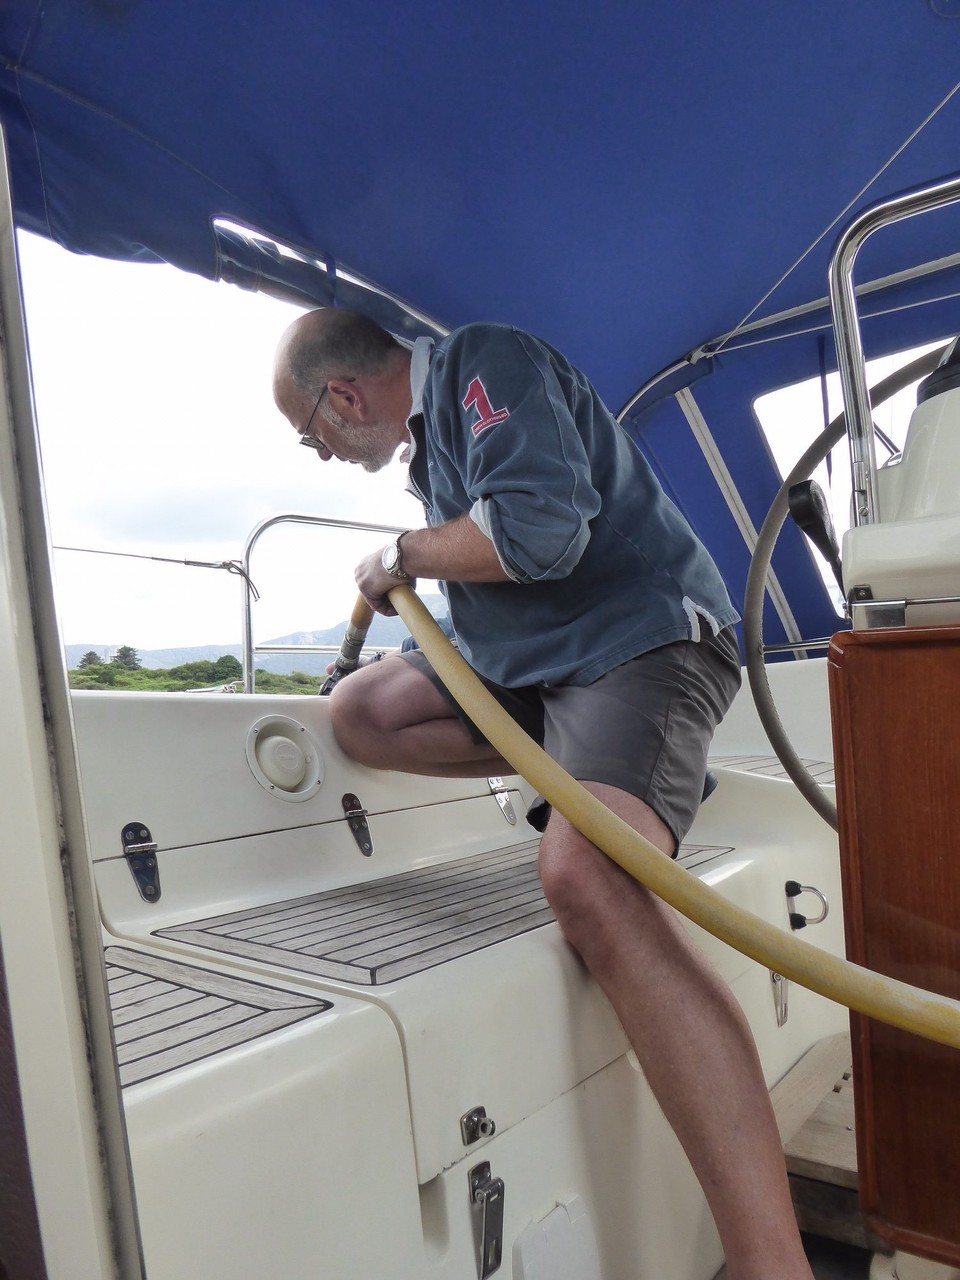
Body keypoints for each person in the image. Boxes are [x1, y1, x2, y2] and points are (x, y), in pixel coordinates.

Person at [273, 308, 814, 1280]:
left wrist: (402, 555)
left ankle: (773, 1262)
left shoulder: (486, 362)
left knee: (586, 878)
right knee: (361, 713)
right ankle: (580, 771)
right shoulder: (432, 442)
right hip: (531, 671)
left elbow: (539, 532)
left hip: (638, 642)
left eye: (312, 434)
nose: (320, 451)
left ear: (344, 395)